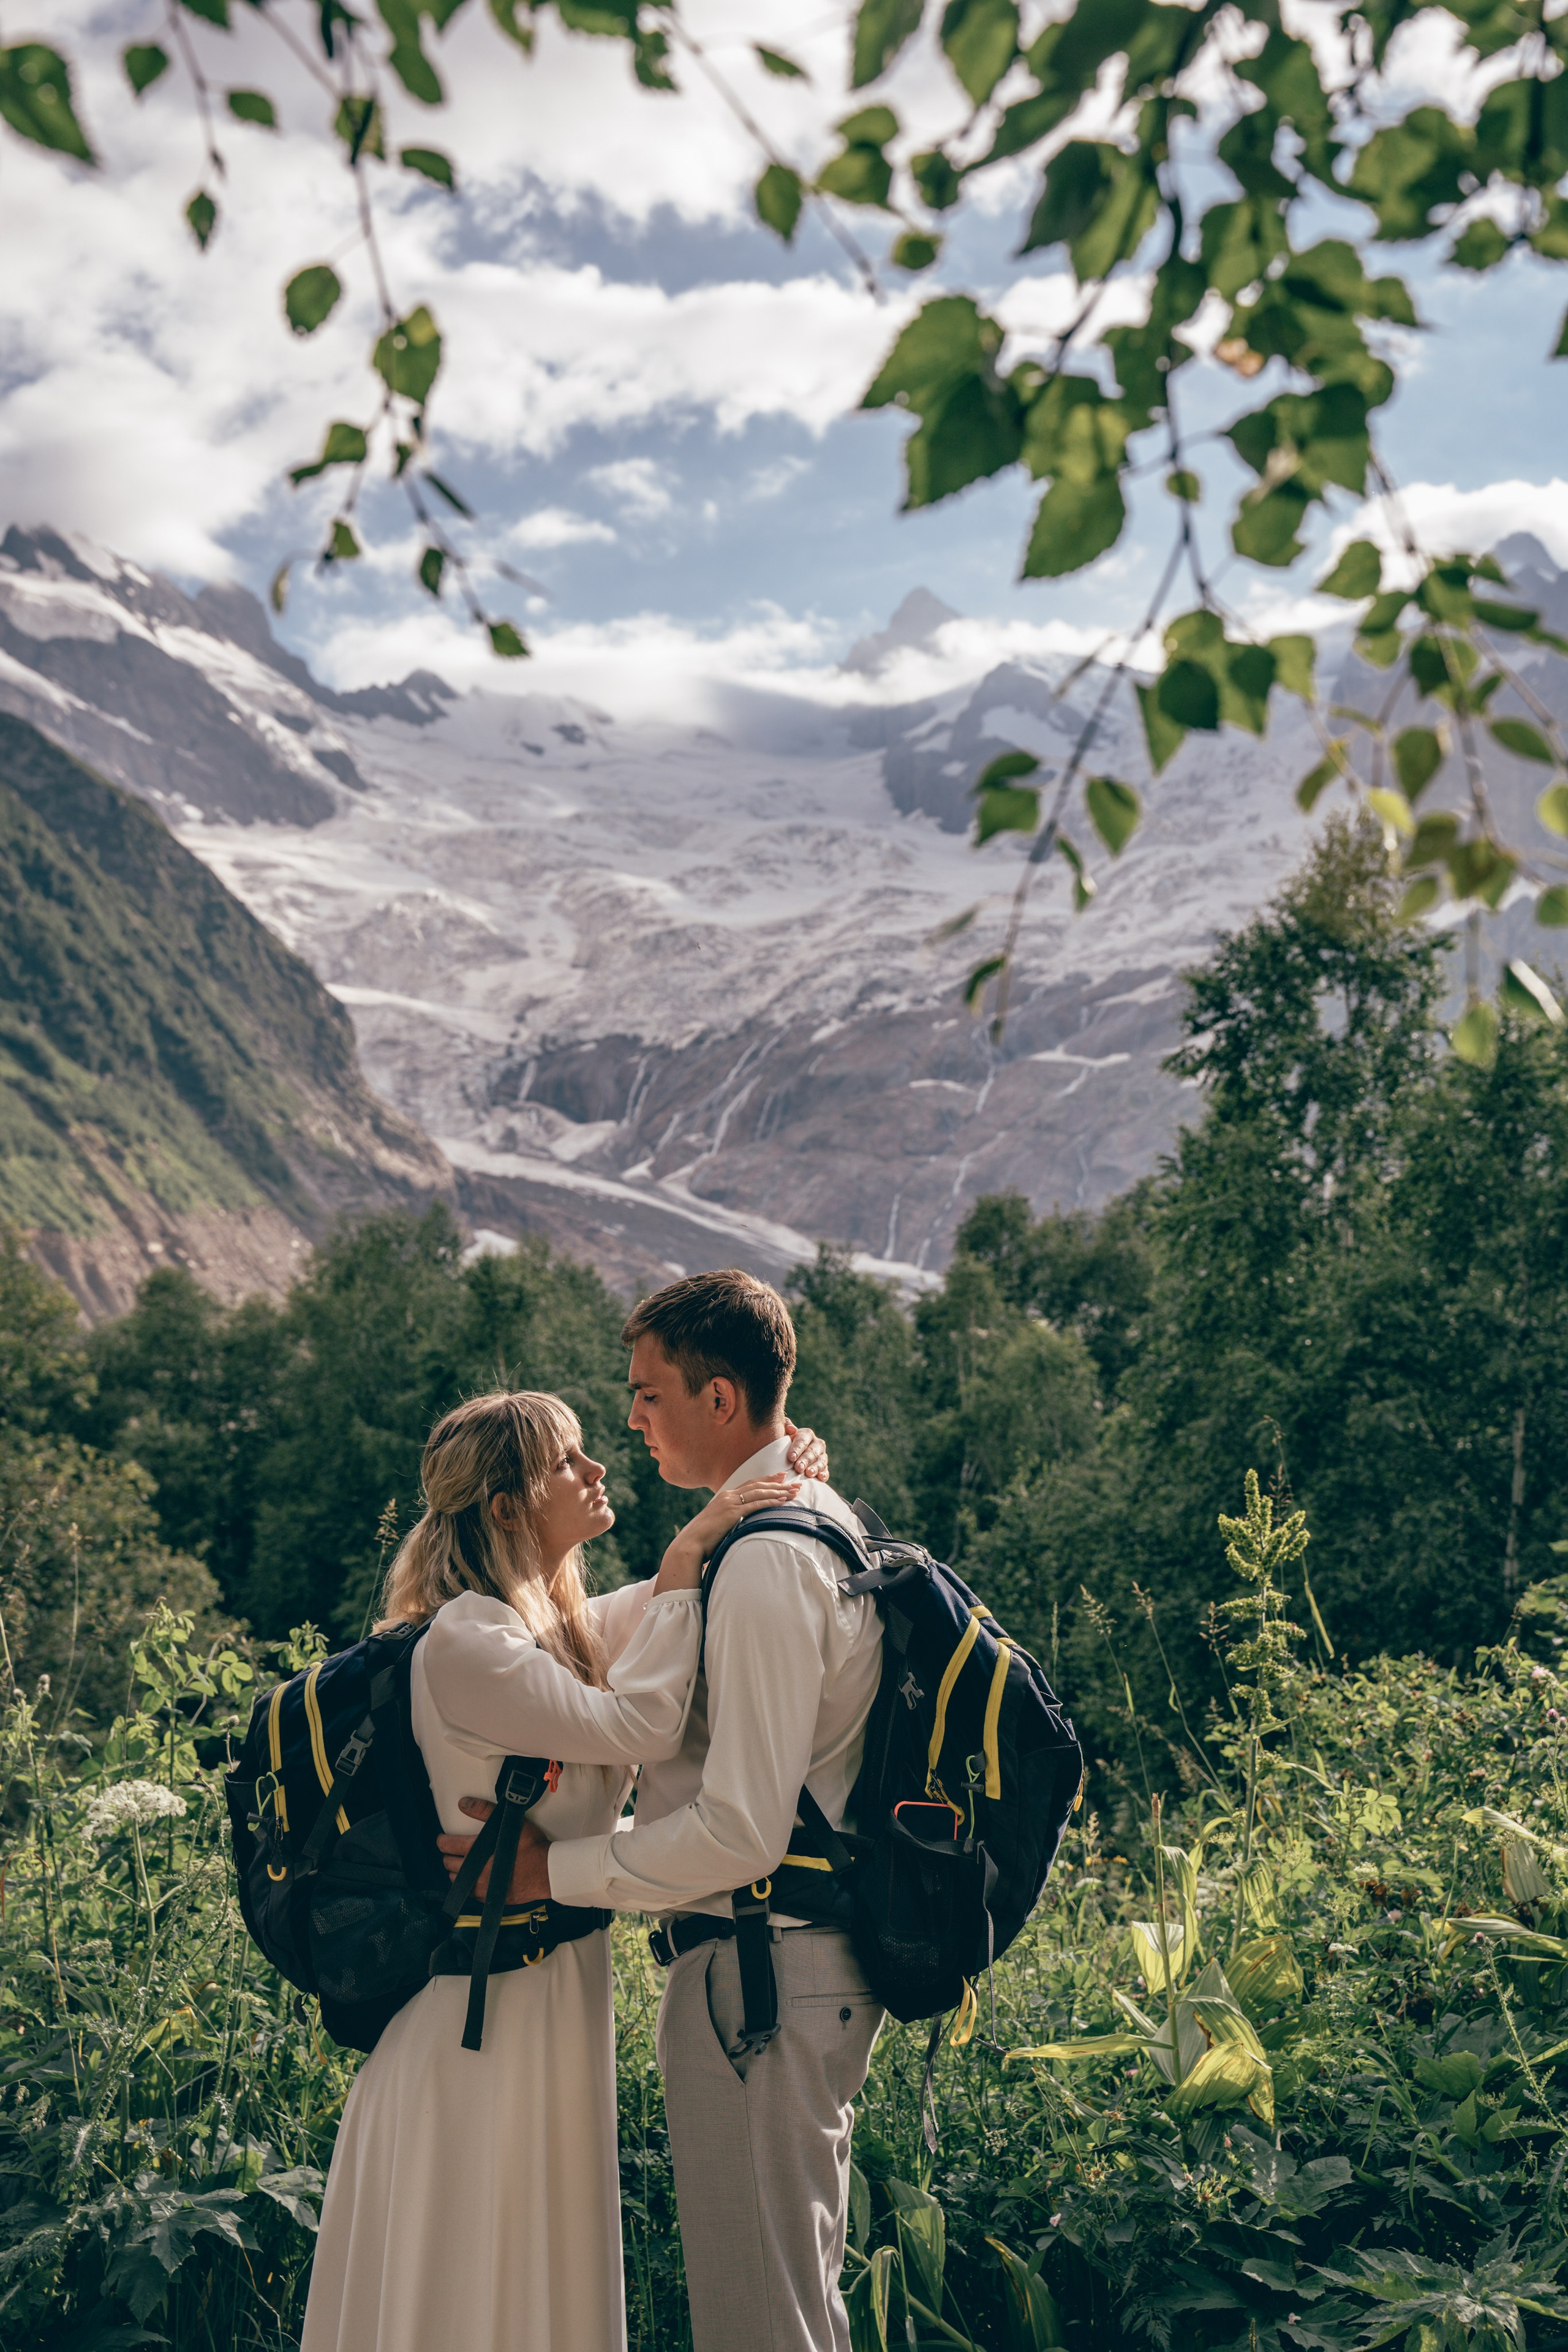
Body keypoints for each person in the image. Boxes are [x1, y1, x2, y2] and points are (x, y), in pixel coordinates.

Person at [301, 1385, 828, 2352]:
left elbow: (696, 1601)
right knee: (465, 2297)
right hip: (473, 2034)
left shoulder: (561, 1632)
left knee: (527, 2292)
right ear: (508, 1507)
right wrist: (686, 1549)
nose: (596, 1469)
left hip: (547, 2008)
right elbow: (646, 1722)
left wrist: (785, 1457)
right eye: (566, 1461)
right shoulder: (468, 1639)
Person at [440, 1272, 886, 2352]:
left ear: (720, 1399)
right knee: (784, 2307)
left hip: (762, 1969)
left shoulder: (768, 1561)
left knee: (760, 2320)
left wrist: (550, 1875)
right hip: (772, 1964)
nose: (631, 1421)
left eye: (647, 1393)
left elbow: (742, 1832)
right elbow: (584, 1641)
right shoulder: (775, 1532)